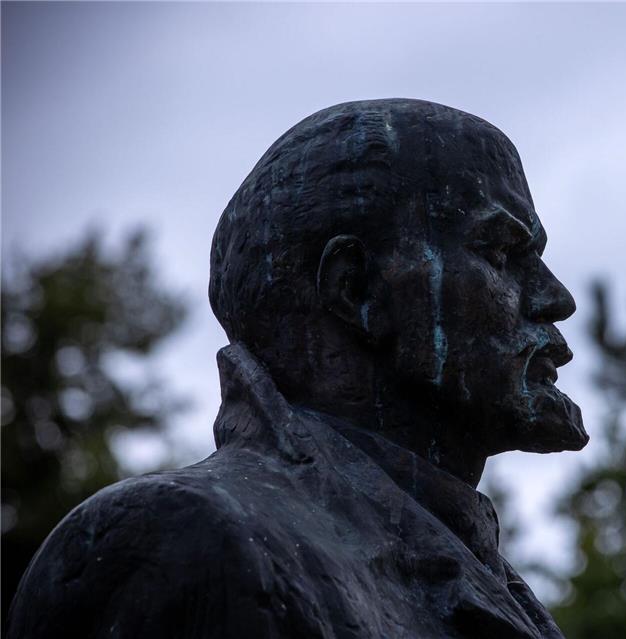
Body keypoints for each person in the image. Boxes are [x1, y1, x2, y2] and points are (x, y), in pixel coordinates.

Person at [7, 99, 588, 638]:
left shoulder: (495, 581)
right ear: (356, 288)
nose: (556, 297)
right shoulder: (179, 541)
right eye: (501, 253)